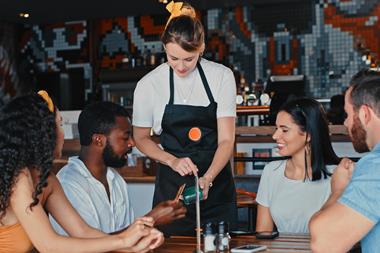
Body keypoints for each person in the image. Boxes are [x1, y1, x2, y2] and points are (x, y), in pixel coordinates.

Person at [0, 92, 164, 253]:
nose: (62, 134)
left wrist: (131, 246)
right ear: (42, 134)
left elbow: (83, 232)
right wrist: (124, 241)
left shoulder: (48, 181)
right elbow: (48, 246)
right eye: (59, 125)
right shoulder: (20, 180)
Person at [133, 1, 237, 235]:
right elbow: (140, 137)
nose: (180, 67)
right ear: (164, 48)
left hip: (216, 185)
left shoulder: (221, 77)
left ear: (201, 48)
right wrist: (171, 160)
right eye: (173, 58)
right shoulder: (149, 85)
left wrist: (208, 177)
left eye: (188, 59)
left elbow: (226, 140)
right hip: (172, 193)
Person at [49, 101, 186, 235]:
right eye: (126, 137)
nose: (132, 143)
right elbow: (91, 246)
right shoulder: (69, 185)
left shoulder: (115, 180)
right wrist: (151, 219)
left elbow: (127, 240)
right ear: (99, 140)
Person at [309, 69, 380, 252]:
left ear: (365, 114)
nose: (346, 123)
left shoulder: (375, 166)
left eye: (348, 114)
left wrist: (338, 189)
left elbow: (324, 242)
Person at [255, 98, 340, 234]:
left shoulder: (337, 176)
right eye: (276, 128)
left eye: (284, 130)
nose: (275, 136)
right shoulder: (271, 171)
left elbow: (339, 235)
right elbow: (263, 234)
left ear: (308, 135)